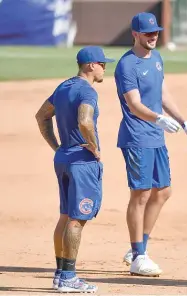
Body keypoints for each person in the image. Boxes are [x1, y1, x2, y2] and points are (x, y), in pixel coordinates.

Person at [114, 12, 187, 277]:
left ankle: (139, 247)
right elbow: (134, 104)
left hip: (155, 136)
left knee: (162, 191)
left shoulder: (158, 59)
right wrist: (158, 118)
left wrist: (184, 121)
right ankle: (139, 255)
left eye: (156, 32)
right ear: (135, 34)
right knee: (140, 194)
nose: (153, 37)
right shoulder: (126, 65)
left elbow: (162, 93)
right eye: (148, 33)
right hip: (137, 136)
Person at [35, 46, 114, 292]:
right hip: (82, 160)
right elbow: (84, 120)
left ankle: (60, 274)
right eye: (102, 64)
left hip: (63, 157)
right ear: (91, 65)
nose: (104, 68)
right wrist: (94, 146)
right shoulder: (87, 91)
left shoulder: (63, 87)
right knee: (77, 219)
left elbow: (42, 116)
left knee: (65, 216)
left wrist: (56, 146)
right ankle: (69, 278)